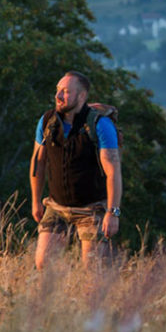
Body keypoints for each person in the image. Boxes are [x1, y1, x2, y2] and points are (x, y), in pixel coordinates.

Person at [30, 71, 121, 268]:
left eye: (65, 92)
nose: (58, 96)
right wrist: (36, 201)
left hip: (92, 208)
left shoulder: (100, 125)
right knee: (43, 264)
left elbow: (113, 171)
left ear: (81, 96)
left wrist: (112, 213)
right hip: (56, 205)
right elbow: (38, 162)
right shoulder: (47, 122)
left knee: (92, 270)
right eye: (57, 91)